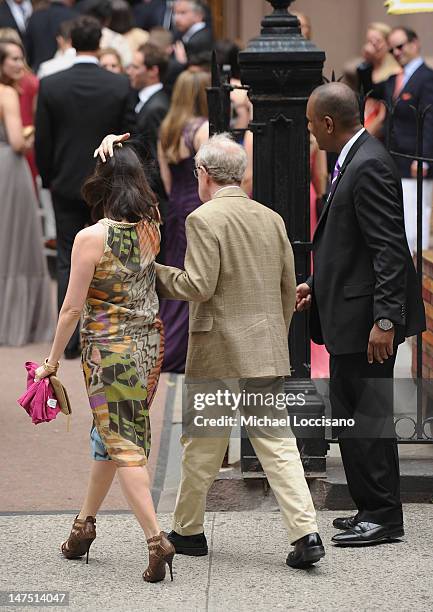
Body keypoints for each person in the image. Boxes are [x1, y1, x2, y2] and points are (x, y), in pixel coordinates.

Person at [95, 132, 325, 568]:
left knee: (201, 445)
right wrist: (274, 334)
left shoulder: (203, 219)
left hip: (217, 350)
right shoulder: (270, 217)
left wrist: (152, 271)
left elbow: (198, 286)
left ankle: (189, 530)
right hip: (264, 348)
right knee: (278, 445)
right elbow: (284, 288)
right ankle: (306, 533)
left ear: (203, 174)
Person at [33, 143, 175, 583]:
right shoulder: (152, 225)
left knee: (124, 445)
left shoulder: (91, 238)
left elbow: (72, 309)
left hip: (110, 355)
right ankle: (83, 527)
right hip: (148, 349)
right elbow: (142, 189)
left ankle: (156, 541)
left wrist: (51, 363)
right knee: (111, 436)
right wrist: (120, 149)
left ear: (102, 183)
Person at [297, 82, 425, 545]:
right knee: (352, 418)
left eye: (313, 125)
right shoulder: (353, 157)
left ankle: (385, 517)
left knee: (369, 419)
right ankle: (368, 506)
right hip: (350, 314)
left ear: (329, 123)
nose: (312, 133)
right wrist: (317, 284)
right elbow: (348, 244)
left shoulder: (369, 164)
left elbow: (389, 249)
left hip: (369, 323)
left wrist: (386, 321)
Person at [35, 15, 134, 359]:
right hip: (106, 183)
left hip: (64, 182)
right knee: (109, 255)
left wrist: (48, 179)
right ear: (98, 42)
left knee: (67, 259)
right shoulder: (119, 85)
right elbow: (128, 138)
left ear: (72, 42)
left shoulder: (51, 84)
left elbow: (43, 140)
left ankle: (71, 340)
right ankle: (106, 331)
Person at [359, 27, 433, 252]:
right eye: (392, 49)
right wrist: (368, 60)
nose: (397, 52)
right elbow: (368, 89)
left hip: (413, 161)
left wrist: (424, 158)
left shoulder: (427, 77)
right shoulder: (393, 79)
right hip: (392, 159)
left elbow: (430, 120)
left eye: (400, 46)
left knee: (414, 224)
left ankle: (415, 279)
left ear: (414, 43)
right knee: (397, 220)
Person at [0, 42, 52, 345]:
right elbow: (18, 142)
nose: (21, 64)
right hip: (9, 167)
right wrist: (32, 134)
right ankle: (16, 323)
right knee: (16, 242)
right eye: (15, 59)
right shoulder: (7, 93)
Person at [157, 69, 209, 372]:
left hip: (176, 205)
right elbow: (206, 175)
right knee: (196, 275)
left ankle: (167, 345)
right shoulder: (202, 130)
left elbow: (166, 181)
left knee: (177, 271)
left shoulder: (168, 128)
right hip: (197, 204)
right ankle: (181, 349)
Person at [25, 0, 78, 71]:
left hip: (38, 70)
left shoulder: (35, 16)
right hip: (68, 69)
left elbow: (27, 49)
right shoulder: (75, 17)